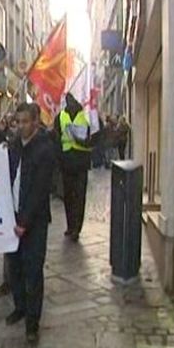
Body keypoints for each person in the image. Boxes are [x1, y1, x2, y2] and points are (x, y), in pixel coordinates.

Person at [6, 102, 55, 346]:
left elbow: (39, 190)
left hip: (33, 221)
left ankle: (32, 324)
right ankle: (20, 307)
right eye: (18, 122)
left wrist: (24, 221)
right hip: (11, 216)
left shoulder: (45, 149)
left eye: (26, 122)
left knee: (33, 271)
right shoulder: (13, 146)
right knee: (13, 268)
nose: (21, 126)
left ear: (35, 122)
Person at [53, 93, 97, 242]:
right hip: (71, 163)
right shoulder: (62, 117)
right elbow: (56, 139)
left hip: (76, 163)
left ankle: (75, 227)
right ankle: (72, 227)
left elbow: (94, 136)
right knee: (73, 197)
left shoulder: (85, 115)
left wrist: (85, 141)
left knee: (74, 197)